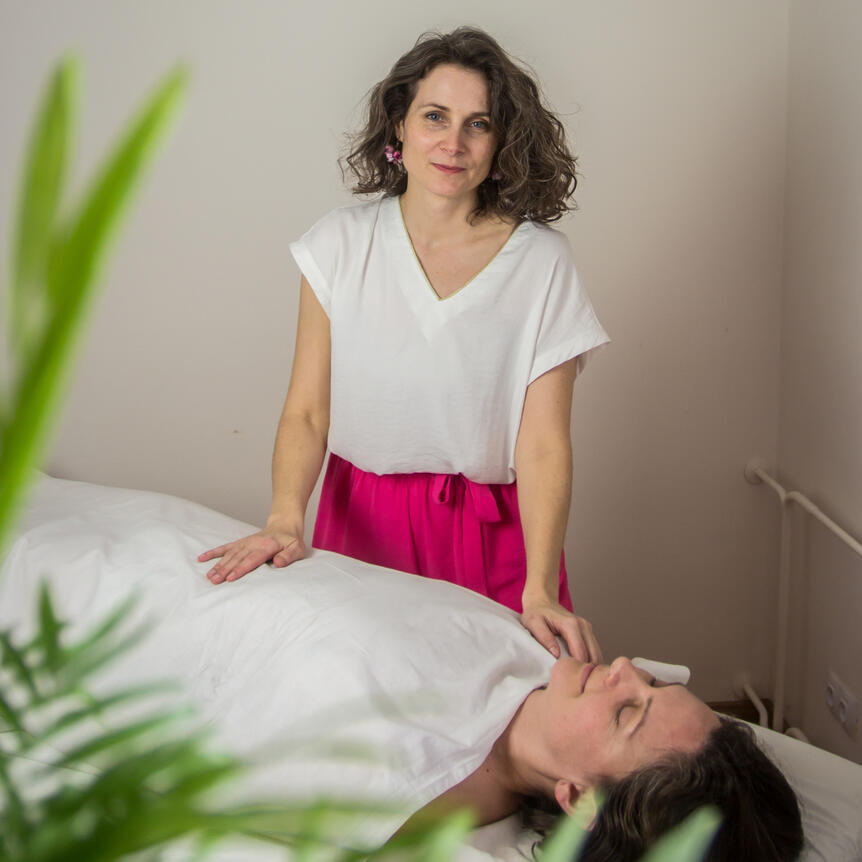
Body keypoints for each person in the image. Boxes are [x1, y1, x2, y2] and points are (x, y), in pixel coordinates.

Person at [3, 475, 803, 859]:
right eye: (652, 685)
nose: (626, 668)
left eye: (629, 710)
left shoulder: (408, 780)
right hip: (188, 548)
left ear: (579, 798)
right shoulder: (552, 665)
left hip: (118, 608)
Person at [198, 26, 610, 663]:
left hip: (496, 531)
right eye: (435, 116)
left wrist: (540, 588)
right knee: (366, 694)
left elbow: (543, 444)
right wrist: (284, 518)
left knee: (511, 704)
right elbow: (308, 412)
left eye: (478, 124)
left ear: (501, 141)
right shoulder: (337, 245)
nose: (453, 143)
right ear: (399, 125)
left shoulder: (542, 262)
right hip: (361, 520)